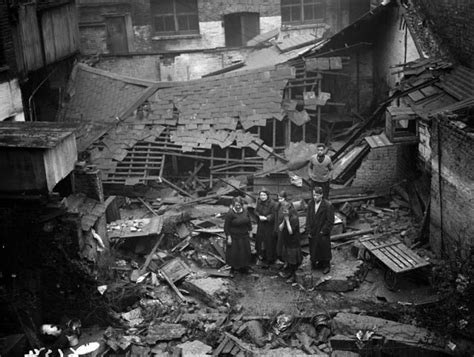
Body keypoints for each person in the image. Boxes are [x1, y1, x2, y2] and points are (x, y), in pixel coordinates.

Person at [305, 187, 335, 274]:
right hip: (313, 230)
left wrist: (324, 231)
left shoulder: (327, 205)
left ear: (321, 195)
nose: (315, 197)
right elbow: (308, 217)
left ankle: (326, 265)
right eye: (314, 195)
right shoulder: (311, 203)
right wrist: (308, 229)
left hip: (322, 230)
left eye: (317, 195)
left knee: (324, 248)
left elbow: (330, 221)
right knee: (313, 247)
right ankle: (315, 262)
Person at [224, 196, 253, 273]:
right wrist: (229, 237)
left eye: (239, 205)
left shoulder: (245, 211)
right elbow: (226, 227)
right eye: (236, 205)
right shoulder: (230, 214)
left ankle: (244, 267)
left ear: (241, 205)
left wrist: (250, 231)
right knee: (234, 253)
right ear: (233, 205)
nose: (237, 207)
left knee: (244, 252)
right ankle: (233, 268)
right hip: (234, 236)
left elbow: (249, 222)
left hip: (244, 236)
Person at [278, 202, 302, 283]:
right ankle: (290, 273)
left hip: (293, 242)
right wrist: (284, 220)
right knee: (288, 259)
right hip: (287, 240)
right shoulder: (285, 217)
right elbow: (280, 228)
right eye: (283, 211)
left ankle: (293, 276)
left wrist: (287, 221)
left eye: (286, 211)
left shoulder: (294, 218)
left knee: (293, 261)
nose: (284, 212)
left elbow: (291, 231)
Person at [255, 189, 277, 266]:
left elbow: (274, 214)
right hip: (261, 225)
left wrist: (267, 218)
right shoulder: (259, 202)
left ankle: (270, 258)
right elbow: (256, 211)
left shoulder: (272, 203)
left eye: (264, 195)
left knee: (269, 242)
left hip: (269, 226)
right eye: (261, 195)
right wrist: (259, 216)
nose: (262, 197)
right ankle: (261, 256)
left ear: (267, 196)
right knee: (260, 240)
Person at [274, 190, 294, 265]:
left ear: (285, 198)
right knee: (279, 243)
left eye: (281, 199)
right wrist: (276, 228)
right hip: (279, 228)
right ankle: (281, 258)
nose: (280, 200)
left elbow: (289, 217)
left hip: (285, 228)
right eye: (279, 198)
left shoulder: (288, 206)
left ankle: (286, 260)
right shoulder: (278, 206)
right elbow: (276, 217)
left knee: (285, 244)